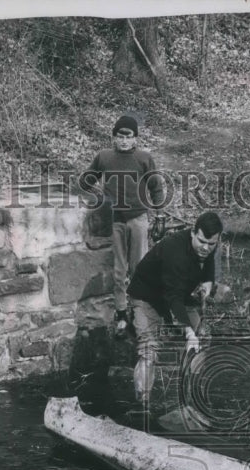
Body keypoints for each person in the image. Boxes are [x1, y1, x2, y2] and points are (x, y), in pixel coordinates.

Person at [79, 114, 165, 335]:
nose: (124, 141)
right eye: (120, 136)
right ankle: (121, 313)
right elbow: (86, 181)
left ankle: (140, 311)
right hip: (116, 221)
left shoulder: (144, 158)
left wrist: (160, 216)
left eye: (128, 137)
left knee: (139, 268)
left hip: (138, 220)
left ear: (135, 139)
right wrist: (99, 195)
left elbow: (156, 187)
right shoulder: (105, 157)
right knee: (119, 271)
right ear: (114, 138)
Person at [127, 212, 222, 403]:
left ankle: (191, 393)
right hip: (147, 296)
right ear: (193, 233)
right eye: (202, 241)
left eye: (211, 244)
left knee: (202, 338)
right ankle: (142, 405)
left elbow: (209, 264)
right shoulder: (174, 251)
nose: (206, 248)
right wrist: (188, 332)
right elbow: (173, 298)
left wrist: (208, 282)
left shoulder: (209, 246)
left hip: (179, 295)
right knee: (149, 350)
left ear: (217, 239)